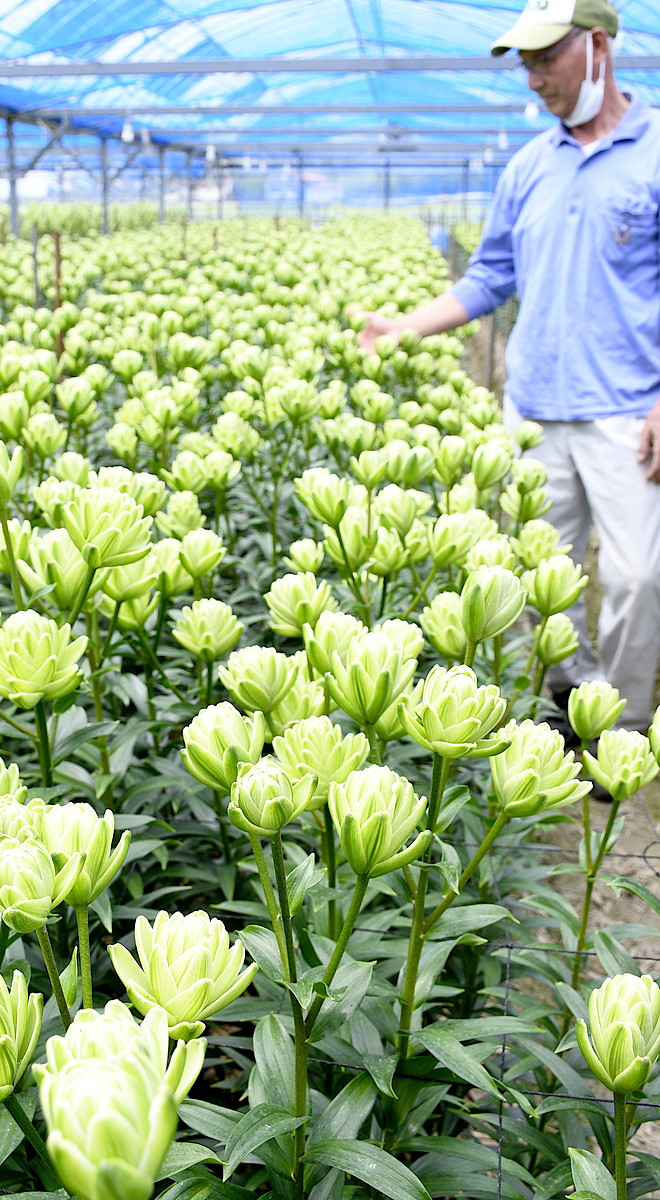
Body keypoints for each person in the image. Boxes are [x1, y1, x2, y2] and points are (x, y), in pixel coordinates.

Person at [358, 0, 660, 735]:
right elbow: (487, 279)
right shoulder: (529, 167)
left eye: (543, 59)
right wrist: (404, 327)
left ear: (596, 46)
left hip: (628, 410)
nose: (532, 79)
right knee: (532, 578)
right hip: (530, 410)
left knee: (635, 578)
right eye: (523, 63)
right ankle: (569, 695)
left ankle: (618, 732)